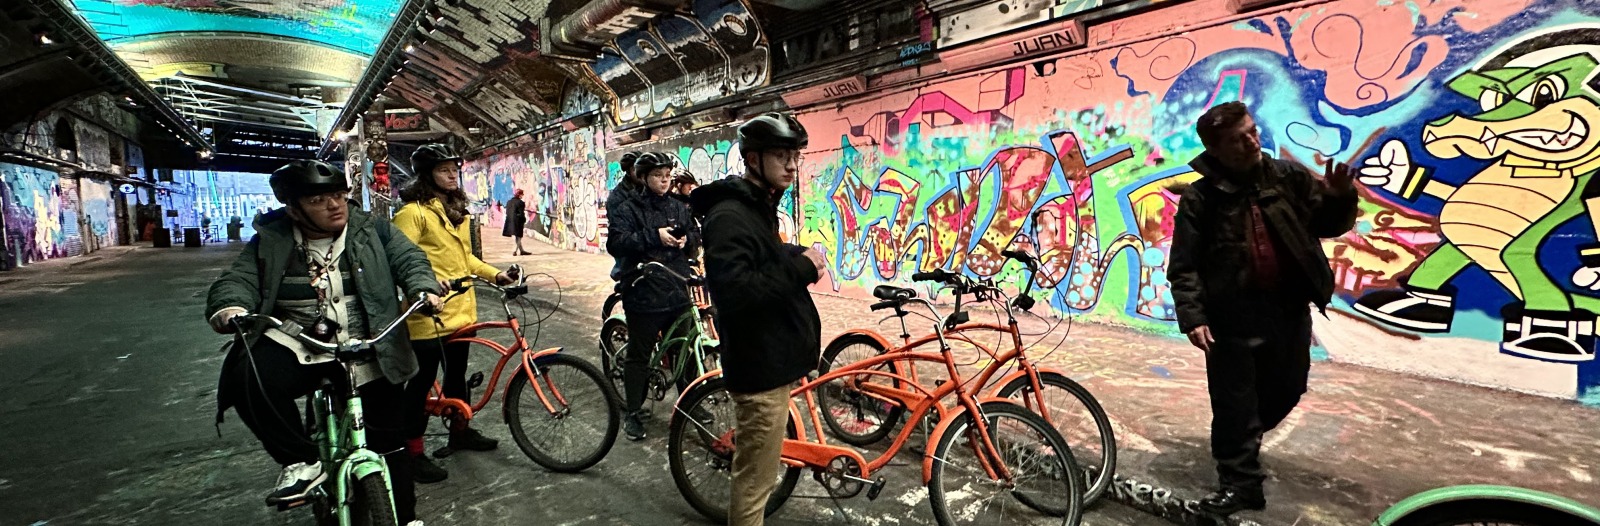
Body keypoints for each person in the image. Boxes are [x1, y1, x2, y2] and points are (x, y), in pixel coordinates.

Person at [204, 160, 441, 525]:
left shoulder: (372, 230)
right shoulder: (272, 238)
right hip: (299, 345)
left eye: (338, 195)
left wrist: (422, 286)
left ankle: (405, 518)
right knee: (248, 377)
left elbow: (409, 259)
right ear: (294, 209)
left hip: (370, 343)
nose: (334, 205)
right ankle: (301, 460)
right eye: (319, 200)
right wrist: (230, 305)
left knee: (391, 444)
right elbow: (239, 278)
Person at [1168, 101, 1357, 515]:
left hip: (1287, 311)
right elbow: (1184, 264)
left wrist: (1342, 197)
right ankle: (1239, 483)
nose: (1253, 141)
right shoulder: (1201, 198)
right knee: (1234, 404)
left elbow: (1327, 223)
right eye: (1240, 139)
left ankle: (1243, 442)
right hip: (1229, 318)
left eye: (1253, 131)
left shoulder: (1286, 177)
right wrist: (1193, 316)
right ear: (1215, 149)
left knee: (1289, 388)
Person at [688, 112, 825, 526]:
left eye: (795, 156)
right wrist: (802, 269)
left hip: (771, 361)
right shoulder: (730, 215)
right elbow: (736, 293)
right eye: (781, 155)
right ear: (752, 158)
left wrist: (790, 253)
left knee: (757, 477)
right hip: (758, 371)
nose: (791, 164)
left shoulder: (756, 207)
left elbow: (755, 260)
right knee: (755, 484)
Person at [394, 143, 516, 483]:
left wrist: (496, 274)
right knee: (419, 386)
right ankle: (412, 452)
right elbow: (400, 262)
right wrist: (429, 283)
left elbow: (465, 259)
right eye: (444, 169)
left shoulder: (456, 210)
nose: (452, 174)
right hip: (427, 313)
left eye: (454, 169)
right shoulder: (412, 214)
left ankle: (460, 433)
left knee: (457, 378)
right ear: (426, 174)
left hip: (461, 310)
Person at [606, 152, 701, 441]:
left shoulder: (677, 206)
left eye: (668, 175)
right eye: (659, 175)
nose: (665, 180)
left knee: (686, 350)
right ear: (645, 177)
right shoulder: (628, 208)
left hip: (676, 288)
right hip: (643, 292)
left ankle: (691, 404)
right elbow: (617, 243)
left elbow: (695, 236)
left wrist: (687, 242)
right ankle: (633, 412)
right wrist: (654, 236)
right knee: (640, 355)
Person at [607, 152, 642, 281]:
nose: (639, 172)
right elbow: (618, 228)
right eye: (635, 169)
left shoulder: (645, 189)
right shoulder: (618, 196)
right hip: (629, 247)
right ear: (628, 171)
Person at [503, 189, 528, 256]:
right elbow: (521, 213)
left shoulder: (509, 202)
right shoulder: (521, 203)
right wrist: (523, 219)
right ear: (519, 195)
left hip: (509, 220)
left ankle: (522, 251)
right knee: (519, 236)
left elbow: (507, 211)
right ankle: (514, 250)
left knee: (516, 236)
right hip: (517, 221)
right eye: (522, 194)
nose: (522, 196)